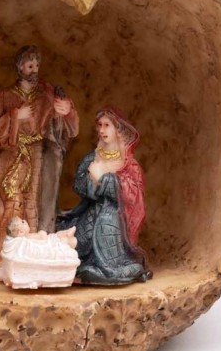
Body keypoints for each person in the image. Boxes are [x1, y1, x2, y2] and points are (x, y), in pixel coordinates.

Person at [0, 46, 79, 277]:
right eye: (29, 65)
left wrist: (66, 111)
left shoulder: (45, 97)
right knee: (11, 204)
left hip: (37, 156)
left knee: (33, 204)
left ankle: (27, 259)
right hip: (11, 157)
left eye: (37, 65)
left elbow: (65, 129)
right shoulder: (4, 97)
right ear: (19, 67)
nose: (34, 70)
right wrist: (15, 116)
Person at [57, 108, 151, 285]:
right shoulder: (93, 157)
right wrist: (91, 181)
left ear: (118, 130)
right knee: (68, 243)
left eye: (107, 125)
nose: (101, 130)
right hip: (91, 213)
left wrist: (103, 178)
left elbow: (134, 195)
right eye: (99, 125)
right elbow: (78, 184)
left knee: (107, 228)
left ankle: (108, 268)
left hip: (114, 218)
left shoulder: (129, 164)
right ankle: (83, 265)